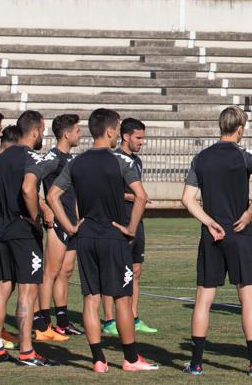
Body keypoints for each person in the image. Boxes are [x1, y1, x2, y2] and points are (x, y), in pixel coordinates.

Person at [46, 108, 157, 372]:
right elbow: (141, 196)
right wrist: (130, 228)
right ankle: (130, 359)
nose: (118, 132)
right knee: (121, 299)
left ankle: (98, 360)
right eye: (118, 128)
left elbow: (51, 196)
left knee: (91, 298)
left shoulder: (76, 162)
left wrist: (71, 227)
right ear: (109, 131)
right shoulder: (121, 161)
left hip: (85, 237)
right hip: (113, 236)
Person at [181, 106, 252, 376]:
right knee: (248, 299)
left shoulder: (202, 158)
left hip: (211, 235)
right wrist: (248, 212)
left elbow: (187, 200)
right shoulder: (245, 155)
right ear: (240, 129)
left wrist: (208, 221)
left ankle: (196, 364)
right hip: (239, 232)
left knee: (203, 298)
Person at [0, 110, 55, 366]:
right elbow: (28, 188)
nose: (43, 134)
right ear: (34, 130)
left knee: (1, 287)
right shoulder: (31, 157)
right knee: (27, 291)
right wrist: (34, 216)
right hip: (23, 231)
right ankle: (26, 351)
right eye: (42, 130)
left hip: (2, 230)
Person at [24, 113, 83, 339]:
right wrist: (44, 207)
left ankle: (63, 321)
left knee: (65, 272)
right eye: (77, 130)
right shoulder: (52, 157)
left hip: (73, 222)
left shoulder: (72, 159)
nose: (80, 134)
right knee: (50, 272)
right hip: (58, 222)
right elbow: (32, 182)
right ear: (66, 133)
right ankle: (43, 322)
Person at [102, 118, 154, 336]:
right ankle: (109, 319)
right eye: (138, 138)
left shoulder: (137, 161)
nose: (142, 142)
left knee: (135, 270)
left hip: (136, 222)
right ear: (125, 136)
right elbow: (106, 191)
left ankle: (133, 316)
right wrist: (133, 197)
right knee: (111, 271)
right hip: (117, 222)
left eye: (143, 137)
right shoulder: (113, 160)